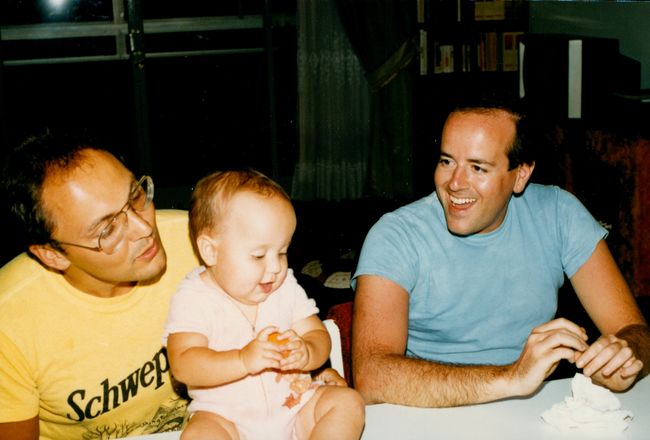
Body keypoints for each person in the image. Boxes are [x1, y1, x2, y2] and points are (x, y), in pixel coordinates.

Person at [351, 100, 650, 408]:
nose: (454, 184)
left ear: (521, 174)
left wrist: (624, 356)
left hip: (527, 414)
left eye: (477, 167)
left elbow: (637, 332)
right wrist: (511, 378)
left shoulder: (560, 214)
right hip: (426, 413)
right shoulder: (395, 235)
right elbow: (371, 378)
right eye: (446, 161)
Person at [0, 134, 201, 439]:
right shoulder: (9, 321)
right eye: (107, 229)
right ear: (52, 255)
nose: (145, 228)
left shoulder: (200, 244)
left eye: (135, 196)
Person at [163, 170, 365, 440]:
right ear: (211, 251)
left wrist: (308, 352)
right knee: (200, 435)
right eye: (258, 255)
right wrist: (242, 360)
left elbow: (317, 334)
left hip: (296, 409)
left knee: (347, 402)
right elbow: (184, 363)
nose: (275, 268)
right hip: (227, 420)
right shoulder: (193, 298)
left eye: (282, 252)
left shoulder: (284, 287)